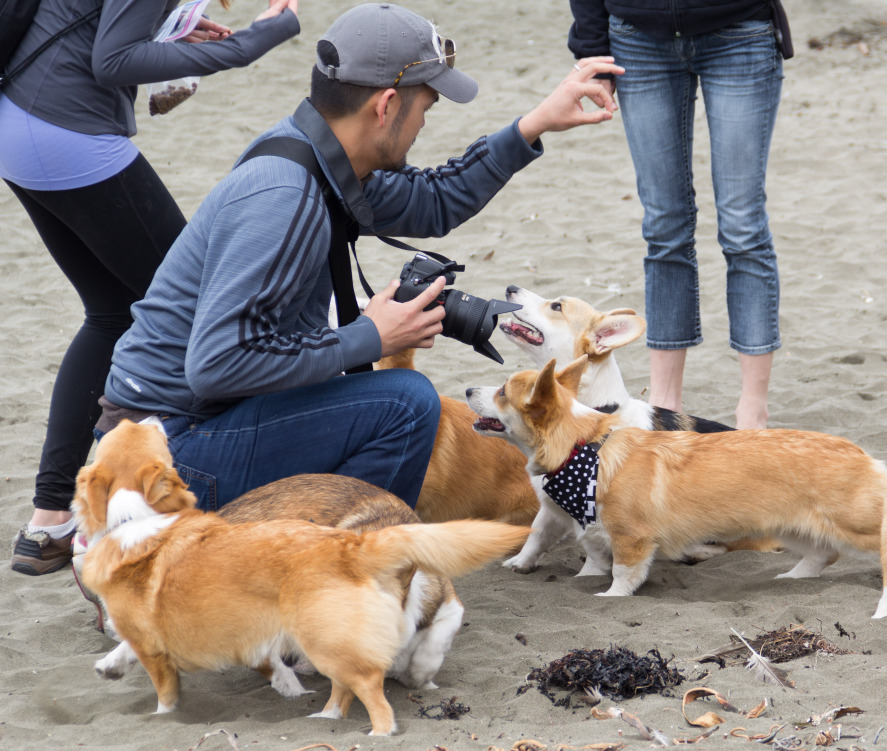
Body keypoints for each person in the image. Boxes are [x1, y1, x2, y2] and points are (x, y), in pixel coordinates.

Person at [96, 3, 621, 517]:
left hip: (187, 428)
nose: (422, 123)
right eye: (426, 106)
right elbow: (215, 367)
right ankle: (331, 569)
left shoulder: (320, 160)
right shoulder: (284, 195)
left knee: (370, 392)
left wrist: (535, 125)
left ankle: (309, 552)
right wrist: (372, 336)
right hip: (165, 456)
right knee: (406, 404)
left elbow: (436, 200)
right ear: (387, 106)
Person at [2, 0, 301, 577]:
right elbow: (114, 61)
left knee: (112, 314)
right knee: (197, 308)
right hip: (71, 135)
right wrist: (260, 37)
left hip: (18, 124)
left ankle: (48, 524)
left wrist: (175, 28)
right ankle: (141, 514)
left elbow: (94, 28)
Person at [567, 0, 792, 429]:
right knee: (664, 226)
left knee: (743, 226)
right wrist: (590, 46)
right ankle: (666, 404)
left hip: (740, 31)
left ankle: (753, 407)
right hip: (637, 40)